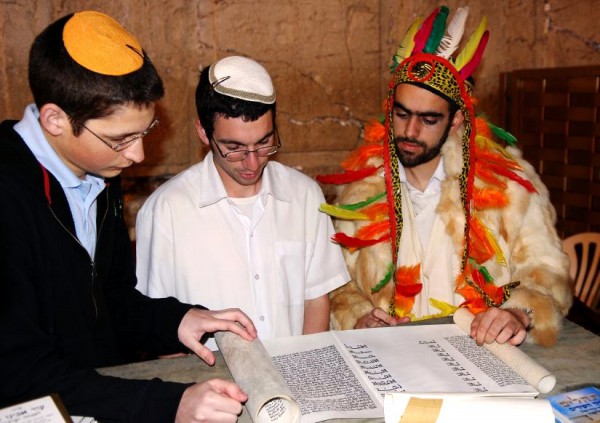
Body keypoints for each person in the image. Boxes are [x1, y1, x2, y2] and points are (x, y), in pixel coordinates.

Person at [0, 11, 258, 422]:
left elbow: (109, 298)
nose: (137, 155)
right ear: (55, 120)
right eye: (121, 138)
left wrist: (176, 319)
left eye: (145, 131)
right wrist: (168, 404)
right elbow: (18, 372)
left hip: (96, 398)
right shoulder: (9, 194)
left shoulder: (99, 166)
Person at [317, 6, 572, 347]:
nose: (410, 130)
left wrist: (516, 313)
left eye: (428, 119)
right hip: (391, 361)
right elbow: (337, 286)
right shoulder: (360, 194)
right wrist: (358, 318)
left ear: (455, 121)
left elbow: (549, 274)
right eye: (402, 114)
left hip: (485, 356)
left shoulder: (510, 187)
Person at [135, 55, 350, 349]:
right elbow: (157, 326)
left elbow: (316, 299)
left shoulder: (304, 195)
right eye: (234, 148)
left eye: (264, 143)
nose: (252, 162)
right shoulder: (166, 210)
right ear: (203, 132)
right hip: (210, 385)